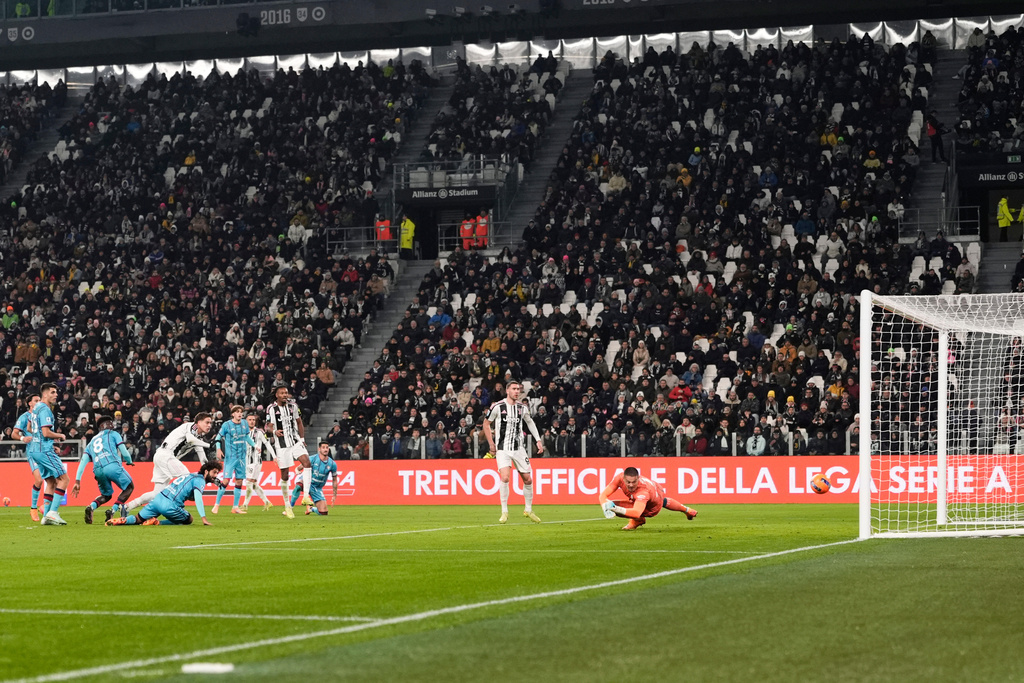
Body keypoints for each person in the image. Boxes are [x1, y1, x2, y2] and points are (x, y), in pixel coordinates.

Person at [123, 413, 214, 516]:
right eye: (207, 422)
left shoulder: (198, 438)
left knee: (156, 493)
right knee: (187, 478)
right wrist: (209, 444)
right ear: (199, 422)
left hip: (162, 457)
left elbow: (203, 458)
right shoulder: (190, 427)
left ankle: (127, 507)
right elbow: (190, 439)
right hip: (166, 455)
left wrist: (211, 473)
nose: (209, 425)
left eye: (210, 423)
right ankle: (177, 508)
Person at [482, 381, 543, 524]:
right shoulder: (498, 406)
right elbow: (486, 423)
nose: (517, 391)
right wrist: (491, 443)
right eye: (514, 389)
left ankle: (528, 510)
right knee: (505, 477)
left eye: (518, 389)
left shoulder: (522, 408)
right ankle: (504, 512)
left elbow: (530, 422)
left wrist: (538, 440)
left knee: (528, 479)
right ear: (507, 390)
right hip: (502, 449)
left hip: (519, 448)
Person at [107, 462, 221, 527]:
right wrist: (204, 518)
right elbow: (198, 499)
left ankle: (122, 520)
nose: (216, 475)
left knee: (138, 519)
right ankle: (157, 522)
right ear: (206, 471)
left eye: (217, 473)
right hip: (169, 505)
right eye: (214, 472)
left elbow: (189, 494)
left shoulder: (191, 475)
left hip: (158, 499)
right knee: (189, 519)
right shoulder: (200, 480)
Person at [71, 415, 135, 524]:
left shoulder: (91, 442)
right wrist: (129, 461)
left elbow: (83, 461)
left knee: (106, 495)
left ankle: (91, 507)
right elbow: (124, 452)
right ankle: (112, 510)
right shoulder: (114, 434)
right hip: (112, 465)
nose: (112, 425)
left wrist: (77, 481)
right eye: (109, 423)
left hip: (98, 470)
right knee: (129, 487)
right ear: (103, 426)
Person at [266, 384, 313, 519]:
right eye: (282, 393)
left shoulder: (293, 406)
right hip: (282, 445)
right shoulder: (271, 409)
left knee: (307, 463)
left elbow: (299, 422)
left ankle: (305, 496)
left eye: (286, 393)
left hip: (295, 441)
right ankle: (287, 505)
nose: (285, 395)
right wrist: (274, 431)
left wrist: (302, 439)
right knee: (285, 475)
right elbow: (268, 427)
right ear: (277, 395)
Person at [599, 466, 698, 530]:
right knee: (663, 501)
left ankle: (639, 520)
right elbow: (603, 495)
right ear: (623, 479)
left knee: (615, 507)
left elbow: (636, 513)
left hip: (652, 507)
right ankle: (687, 510)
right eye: (628, 482)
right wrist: (604, 507)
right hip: (655, 489)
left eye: (634, 482)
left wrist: (614, 509)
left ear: (638, 479)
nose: (631, 485)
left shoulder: (643, 491)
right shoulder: (619, 478)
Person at [31, 383, 68, 526]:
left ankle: (46, 516)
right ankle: (53, 512)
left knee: (51, 481)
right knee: (64, 479)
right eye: (52, 392)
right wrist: (60, 436)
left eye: (56, 392)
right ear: (45, 394)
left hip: (35, 449)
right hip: (43, 450)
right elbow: (46, 432)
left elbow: (35, 430)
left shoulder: (36, 408)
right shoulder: (45, 409)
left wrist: (51, 444)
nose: (56, 395)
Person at [11, 391, 44, 522]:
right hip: (32, 452)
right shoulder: (25, 417)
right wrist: (22, 438)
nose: (38, 402)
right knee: (39, 480)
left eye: (39, 400)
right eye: (36, 400)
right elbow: (14, 433)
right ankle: (33, 508)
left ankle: (45, 506)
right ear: (29, 403)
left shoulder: (42, 416)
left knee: (56, 479)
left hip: (45, 451)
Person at [212, 405, 250, 514]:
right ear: (233, 414)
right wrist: (218, 449)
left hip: (241, 458)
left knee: (239, 481)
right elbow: (218, 437)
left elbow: (247, 437)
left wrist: (255, 445)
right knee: (226, 480)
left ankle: (235, 507)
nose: (240, 414)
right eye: (237, 412)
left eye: (241, 412)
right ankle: (216, 505)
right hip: (230, 458)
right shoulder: (226, 425)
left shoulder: (244, 423)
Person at [288, 441, 337, 515]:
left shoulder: (332, 464)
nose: (325, 449)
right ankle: (289, 508)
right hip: (307, 482)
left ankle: (311, 509)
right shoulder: (312, 459)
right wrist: (297, 471)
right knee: (298, 486)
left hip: (317, 487)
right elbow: (298, 468)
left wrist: (334, 495)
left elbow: (334, 480)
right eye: (323, 447)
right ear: (319, 449)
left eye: (327, 448)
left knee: (323, 512)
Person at [240, 412, 274, 511]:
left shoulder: (259, 432)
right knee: (254, 484)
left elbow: (267, 444)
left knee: (248, 483)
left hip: (255, 461)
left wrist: (274, 456)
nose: (252, 422)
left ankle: (245, 505)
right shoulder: (242, 432)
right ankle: (267, 502)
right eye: (250, 420)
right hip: (246, 461)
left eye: (253, 420)